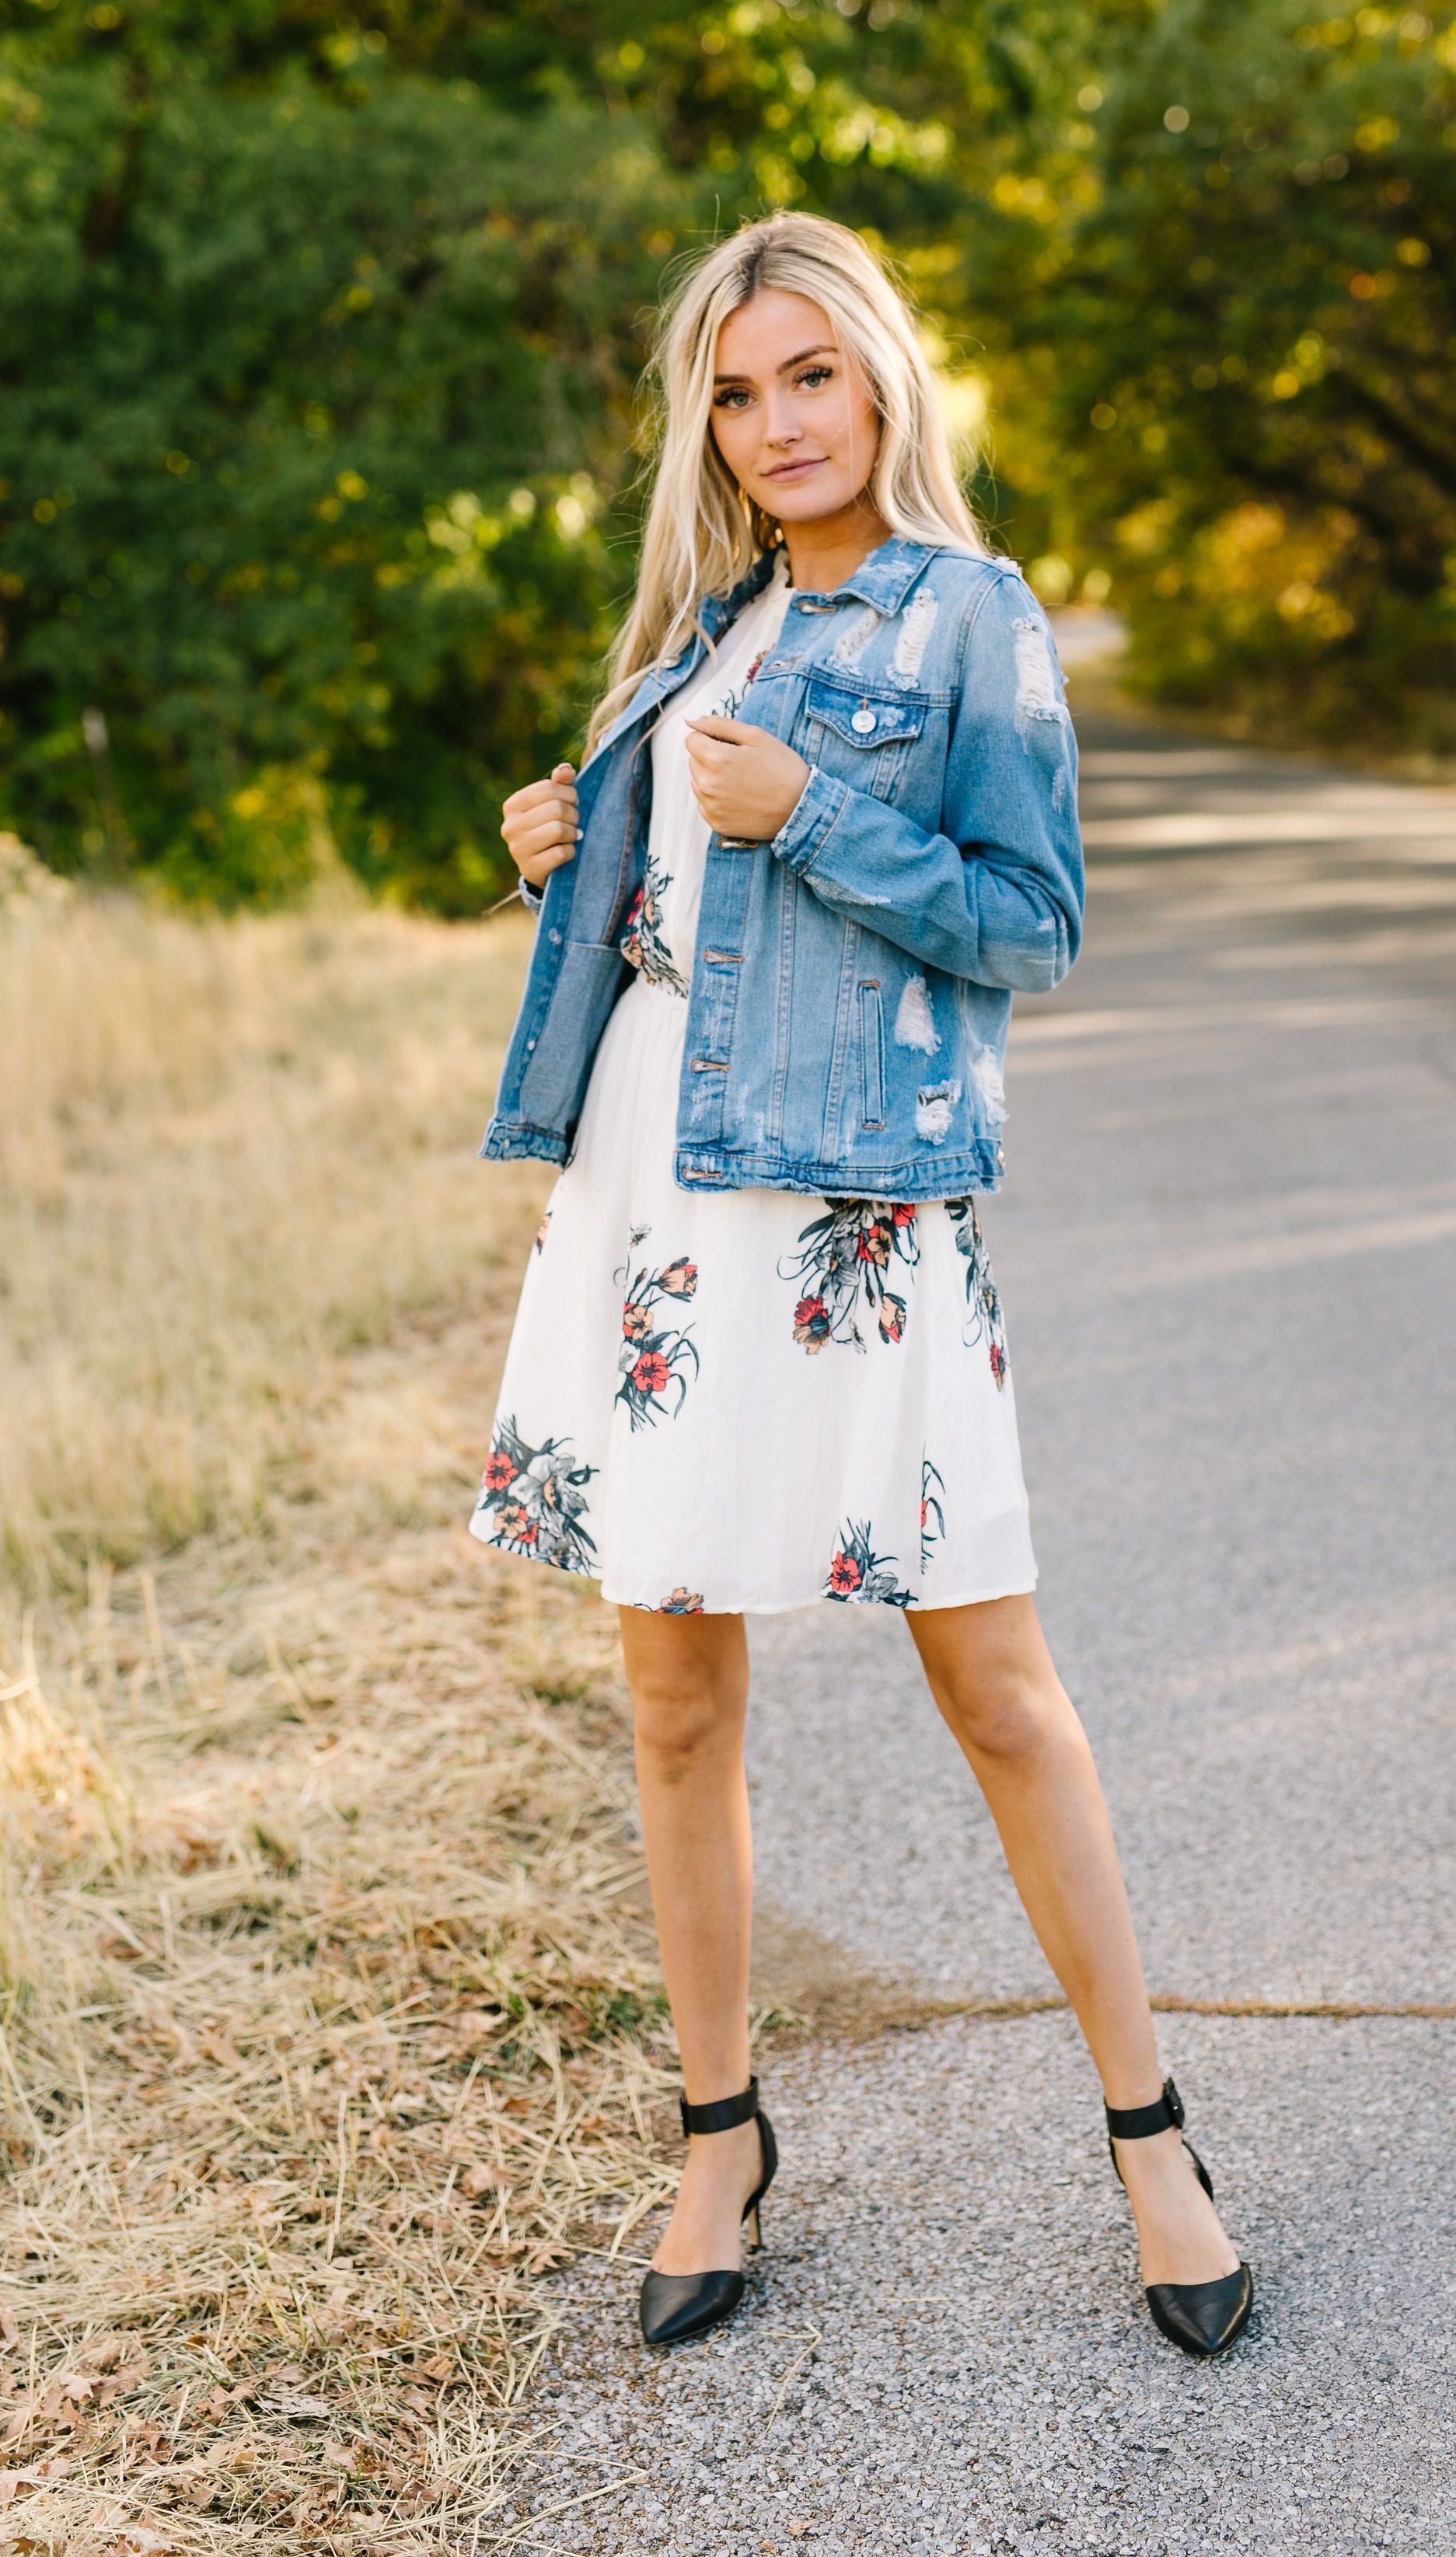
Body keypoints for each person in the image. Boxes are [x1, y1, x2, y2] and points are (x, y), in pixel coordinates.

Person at [474, 211, 1251, 2360]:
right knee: (674, 1698)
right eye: (736, 390)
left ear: (884, 381)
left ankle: (1152, 2132)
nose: (775, 420)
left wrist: (816, 809)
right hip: (649, 1222)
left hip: (848, 1234)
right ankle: (720, 2130)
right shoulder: (690, 633)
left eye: (808, 372)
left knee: (998, 1690)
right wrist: (561, 845)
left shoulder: (971, 623)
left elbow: (1033, 925)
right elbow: (661, 944)